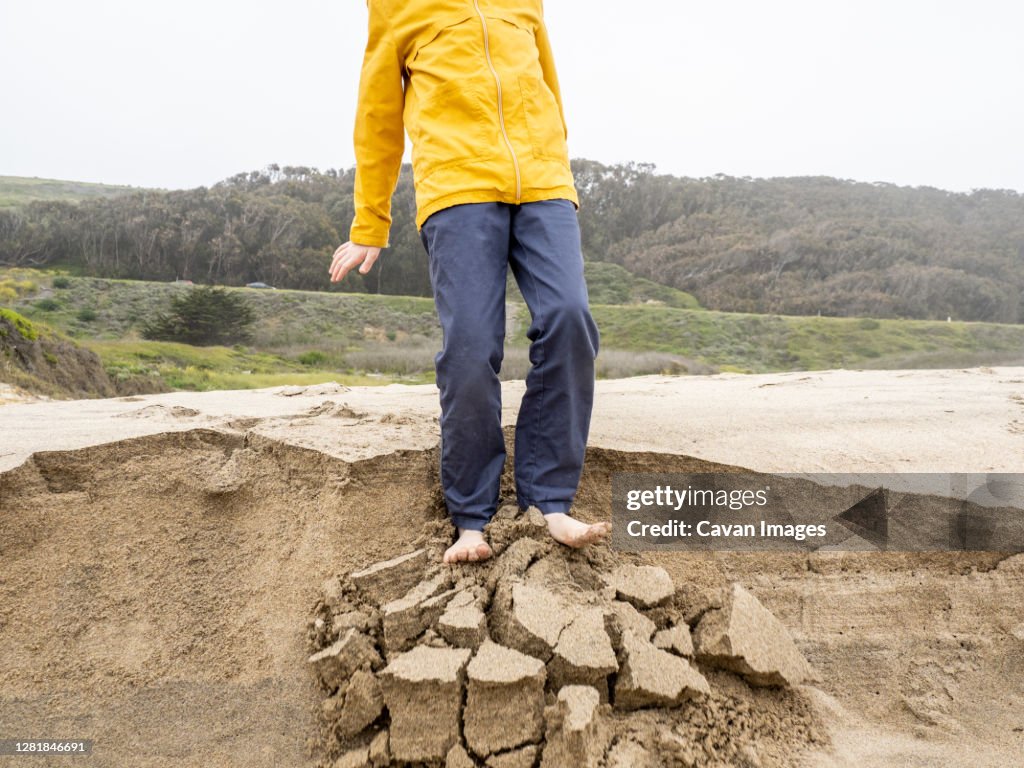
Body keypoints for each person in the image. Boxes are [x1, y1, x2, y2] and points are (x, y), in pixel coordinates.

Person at [329, 0, 610, 563]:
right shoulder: (395, 7)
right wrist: (370, 222)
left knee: (570, 318)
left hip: (543, 184)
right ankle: (472, 519)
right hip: (456, 191)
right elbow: (378, 115)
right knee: (471, 346)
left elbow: (546, 86)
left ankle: (548, 501)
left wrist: (554, 164)